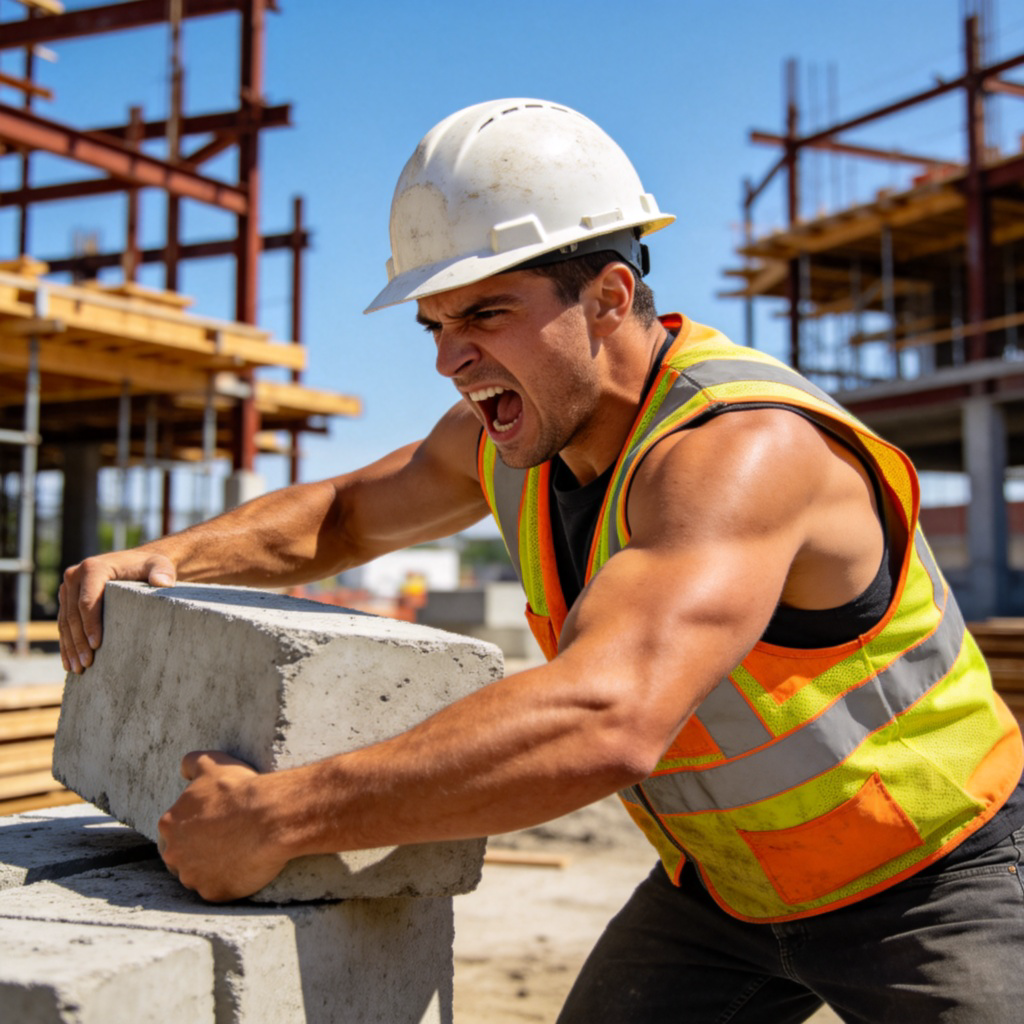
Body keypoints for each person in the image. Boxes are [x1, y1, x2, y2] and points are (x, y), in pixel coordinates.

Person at [59, 98, 1024, 1023]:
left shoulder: (742, 451)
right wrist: (166, 556)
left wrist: (276, 817)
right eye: (435, 325)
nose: (449, 360)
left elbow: (605, 716)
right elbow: (346, 515)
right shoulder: (515, 435)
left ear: (608, 296)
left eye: (485, 314)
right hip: (726, 892)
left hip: (936, 879)